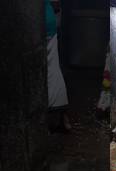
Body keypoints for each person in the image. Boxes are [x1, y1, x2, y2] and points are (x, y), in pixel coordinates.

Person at [45, 0, 72, 132]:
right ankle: (62, 117)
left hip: (43, 26)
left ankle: (57, 117)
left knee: (52, 71)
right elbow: (56, 4)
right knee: (53, 70)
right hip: (48, 25)